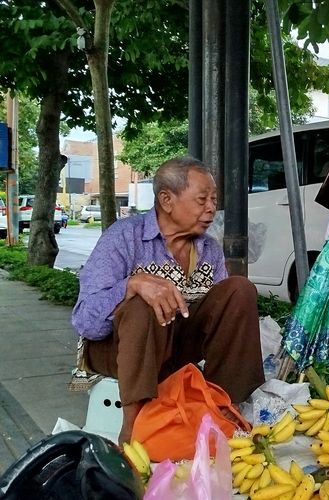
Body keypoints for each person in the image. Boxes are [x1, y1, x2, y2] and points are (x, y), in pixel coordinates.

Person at [71, 156, 264, 444]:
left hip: (173, 350)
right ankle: (135, 427)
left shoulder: (208, 248)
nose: (212, 208)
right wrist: (132, 285)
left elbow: (222, 318)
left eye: (213, 199)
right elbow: (85, 322)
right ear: (167, 200)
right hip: (118, 350)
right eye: (202, 200)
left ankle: (223, 406)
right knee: (143, 300)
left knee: (239, 289)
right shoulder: (124, 237)